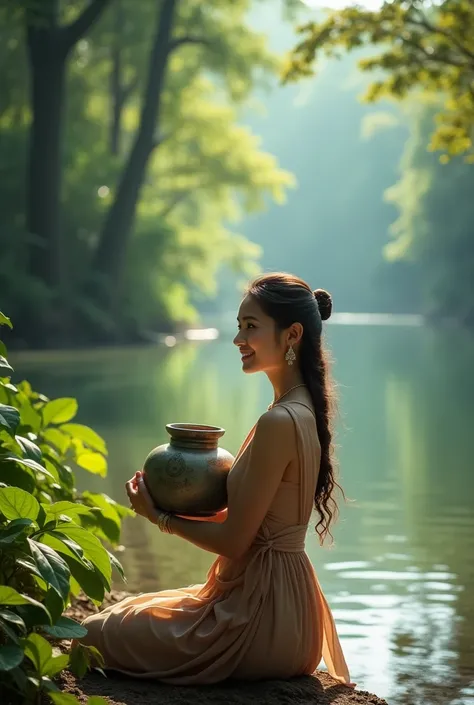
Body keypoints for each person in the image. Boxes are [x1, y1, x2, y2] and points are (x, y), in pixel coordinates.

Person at [78, 272, 353, 687]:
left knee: (94, 635)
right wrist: (175, 500)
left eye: (251, 327)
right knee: (125, 612)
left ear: (292, 334)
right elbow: (249, 521)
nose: (238, 339)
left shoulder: (280, 420)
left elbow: (234, 541)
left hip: (262, 619)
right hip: (285, 609)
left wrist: (159, 518)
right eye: (240, 326)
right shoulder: (299, 409)